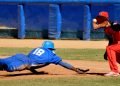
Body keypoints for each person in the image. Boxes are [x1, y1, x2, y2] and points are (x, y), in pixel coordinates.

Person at [0, 41, 89, 74]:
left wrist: (35, 72)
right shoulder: (52, 56)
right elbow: (64, 64)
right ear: (51, 48)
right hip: (24, 62)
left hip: (20, 56)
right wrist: (76, 69)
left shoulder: (37, 48)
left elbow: (32, 61)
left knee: (3, 61)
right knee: (9, 68)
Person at [93, 11, 120, 76]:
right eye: (99, 18)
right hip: (117, 45)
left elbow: (118, 27)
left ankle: (114, 71)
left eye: (101, 18)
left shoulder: (113, 24)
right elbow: (111, 41)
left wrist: (112, 25)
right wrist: (106, 52)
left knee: (110, 49)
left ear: (105, 19)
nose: (99, 19)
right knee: (114, 54)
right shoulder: (106, 29)